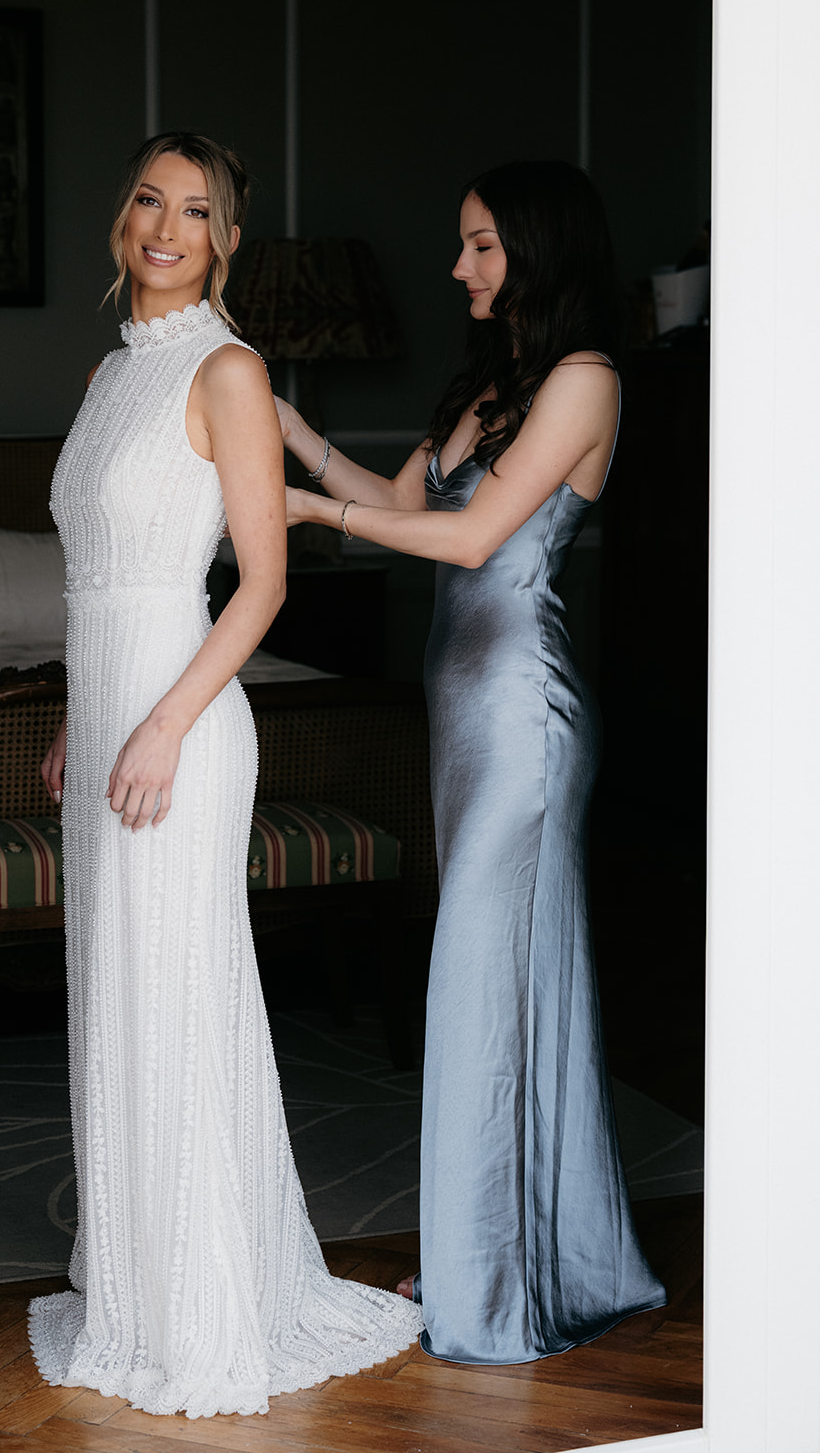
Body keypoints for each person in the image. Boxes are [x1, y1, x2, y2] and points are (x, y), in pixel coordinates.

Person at [27, 132, 421, 1417]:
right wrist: (82, 720)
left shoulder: (229, 369)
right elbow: (95, 578)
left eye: (195, 211)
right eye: (149, 199)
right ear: (122, 215)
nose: (164, 227)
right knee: (116, 998)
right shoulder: (109, 373)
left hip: (181, 727)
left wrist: (157, 726)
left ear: (226, 240)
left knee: (177, 998)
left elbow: (261, 583)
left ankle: (205, 1302)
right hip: (110, 717)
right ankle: (137, 1283)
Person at [276, 160, 667, 1365]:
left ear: (539, 249)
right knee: (498, 986)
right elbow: (397, 499)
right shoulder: (492, 383)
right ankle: (511, 1253)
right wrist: (289, 433)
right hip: (461, 718)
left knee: (477, 988)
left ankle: (486, 1279)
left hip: (520, 718)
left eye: (480, 245)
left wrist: (311, 513)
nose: (457, 267)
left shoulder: (584, 379)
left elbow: (469, 537)